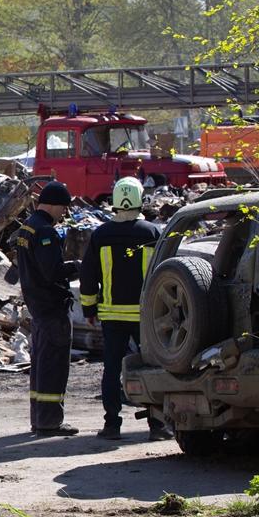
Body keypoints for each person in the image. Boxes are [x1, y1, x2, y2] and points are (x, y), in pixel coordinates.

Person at [79, 177, 170, 441]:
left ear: (116, 202)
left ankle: (111, 425)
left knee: (111, 369)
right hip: (145, 317)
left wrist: (89, 310)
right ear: (141, 199)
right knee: (153, 367)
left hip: (111, 315)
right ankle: (157, 426)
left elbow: (87, 277)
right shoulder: (152, 233)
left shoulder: (101, 235)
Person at [13, 180, 80, 436]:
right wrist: (76, 266)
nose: (64, 213)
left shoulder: (26, 228)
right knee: (54, 364)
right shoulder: (45, 232)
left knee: (41, 364)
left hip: (37, 306)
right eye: (63, 208)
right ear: (52, 205)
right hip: (52, 307)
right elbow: (52, 272)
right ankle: (51, 421)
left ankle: (40, 418)